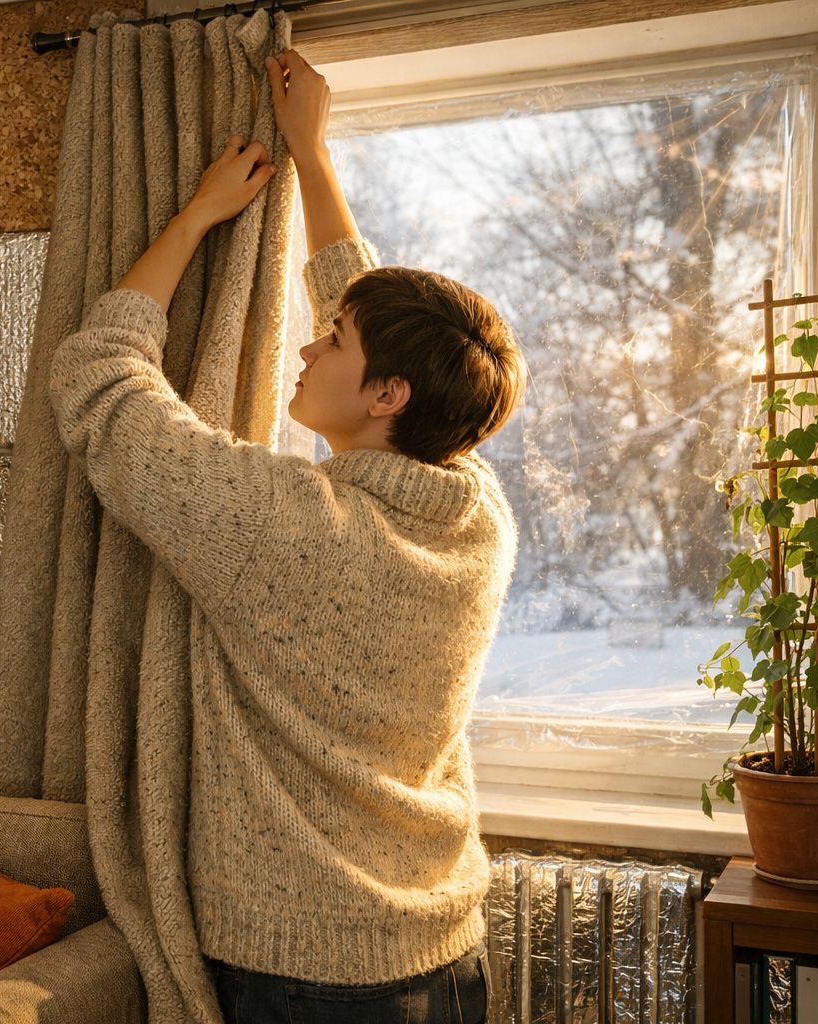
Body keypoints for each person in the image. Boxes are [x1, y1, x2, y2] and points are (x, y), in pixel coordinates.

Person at [47, 43, 525, 1024]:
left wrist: (192, 216)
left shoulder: (286, 529)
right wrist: (312, 152)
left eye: (332, 342)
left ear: (390, 394)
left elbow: (98, 374)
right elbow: (367, 318)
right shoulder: (476, 515)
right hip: (448, 957)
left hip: (310, 974)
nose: (308, 343)